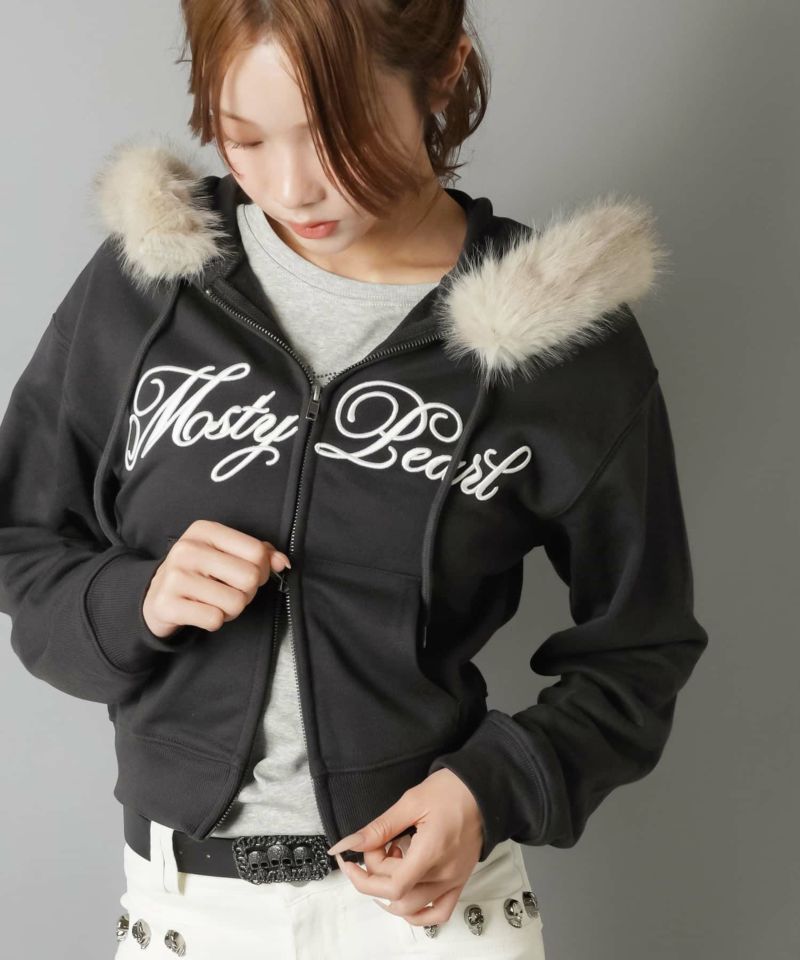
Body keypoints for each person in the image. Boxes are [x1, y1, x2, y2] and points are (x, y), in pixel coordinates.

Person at [0, 1, 709, 957]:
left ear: (444, 72)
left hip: (434, 921)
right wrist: (139, 599)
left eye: (337, 134)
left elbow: (642, 648)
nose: (293, 187)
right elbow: (21, 543)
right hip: (185, 918)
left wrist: (489, 789)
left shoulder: (558, 337)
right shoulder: (153, 283)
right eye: (246, 138)